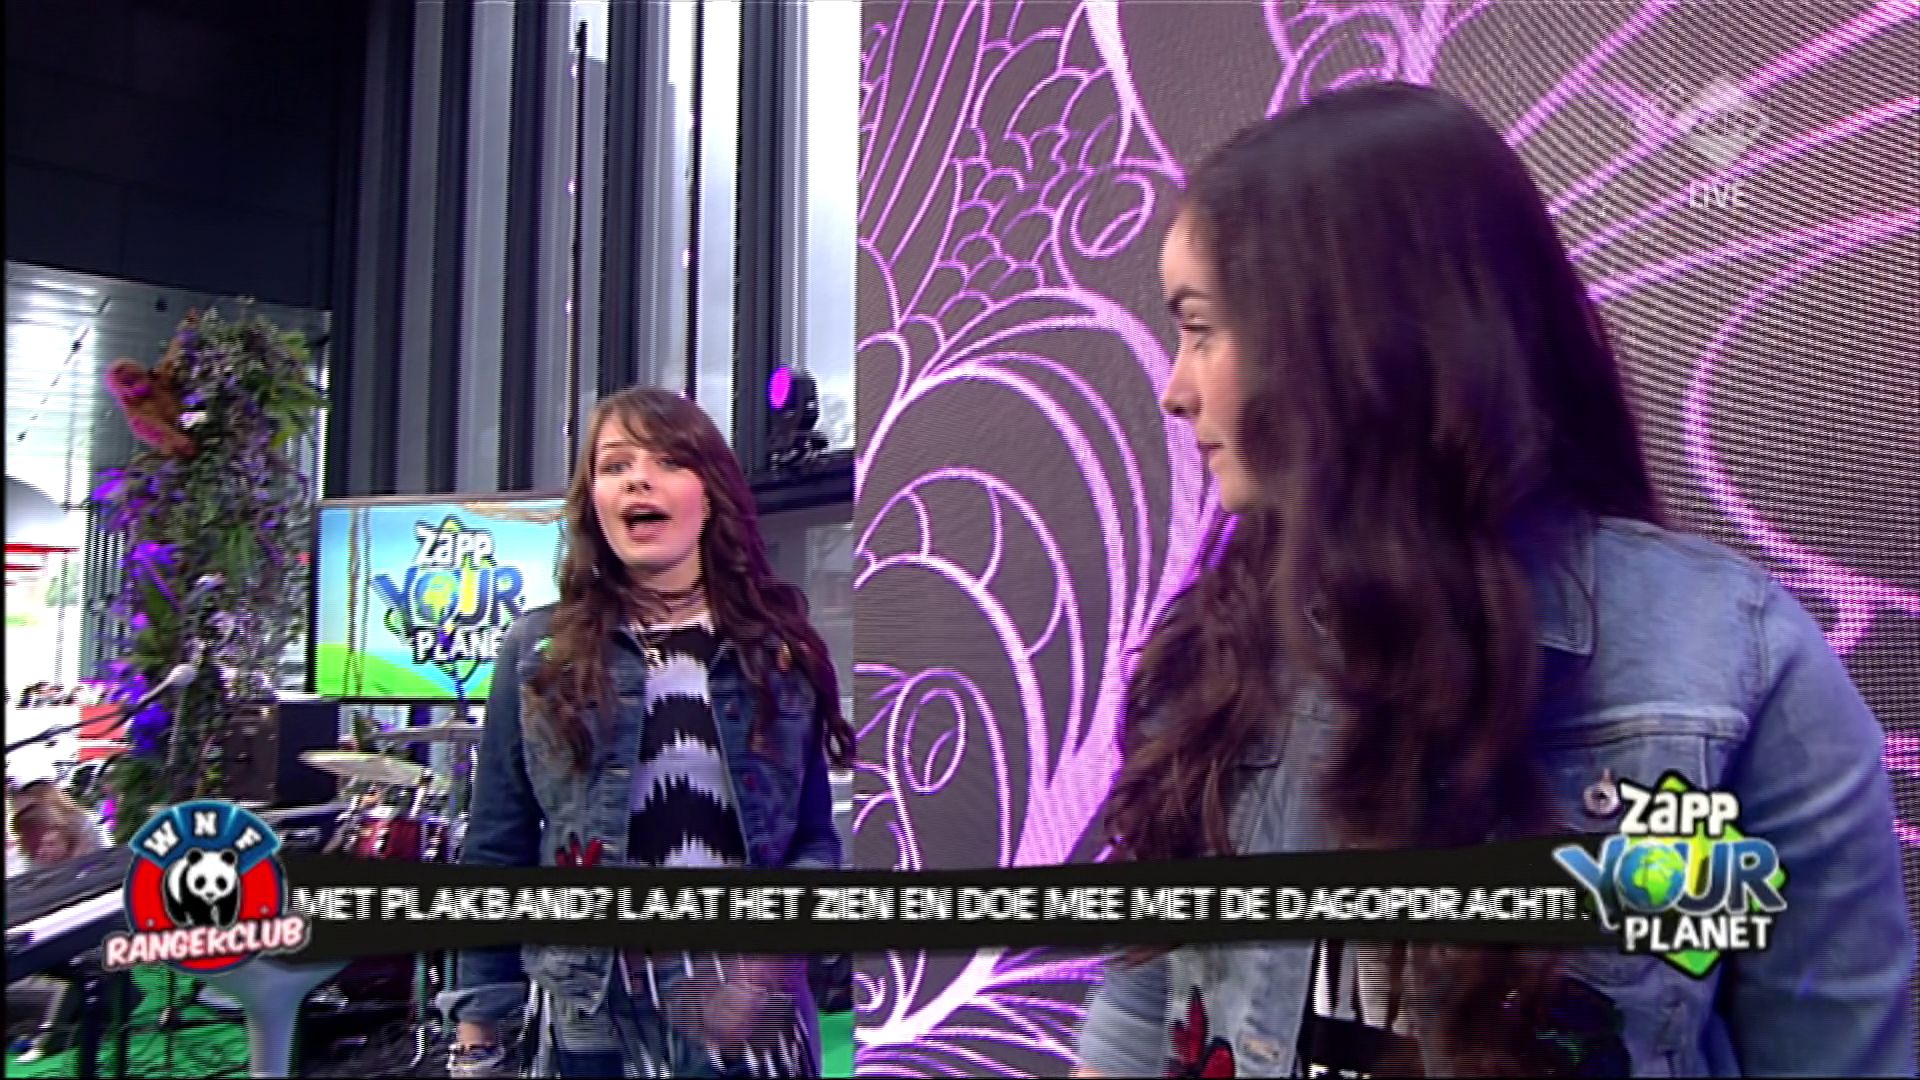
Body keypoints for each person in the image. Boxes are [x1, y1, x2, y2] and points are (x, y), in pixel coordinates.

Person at [1074, 81, 1914, 1078]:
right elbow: (1138, 1015)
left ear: (1351, 336)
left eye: (1203, 328)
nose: (1175, 389)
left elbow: (1841, 1054)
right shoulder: (1214, 652)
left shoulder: (1735, 664)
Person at [439, 387, 854, 1078]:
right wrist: (476, 1031)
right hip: (590, 1004)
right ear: (594, 503)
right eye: (615, 465)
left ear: (710, 495)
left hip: (751, 1009)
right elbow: (495, 849)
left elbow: (814, 840)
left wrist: (770, 955)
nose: (638, 479)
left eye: (667, 461)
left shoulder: (777, 649)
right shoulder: (537, 650)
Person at [7, 781, 110, 1062]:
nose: (41, 848)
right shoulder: (28, 855)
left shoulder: (85, 847)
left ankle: (51, 1032)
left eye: (49, 843)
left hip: (85, 934)